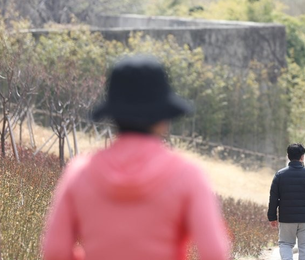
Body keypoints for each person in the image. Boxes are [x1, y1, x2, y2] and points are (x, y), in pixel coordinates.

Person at [41, 55, 230, 260]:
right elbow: (214, 253)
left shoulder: (79, 172)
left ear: (112, 114)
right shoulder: (188, 175)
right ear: (164, 118)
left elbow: (55, 251)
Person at [268, 143, 305, 260]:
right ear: (302, 157)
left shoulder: (280, 175)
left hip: (286, 218)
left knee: (285, 243)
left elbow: (273, 198)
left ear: (288, 156)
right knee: (304, 248)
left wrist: (272, 216)